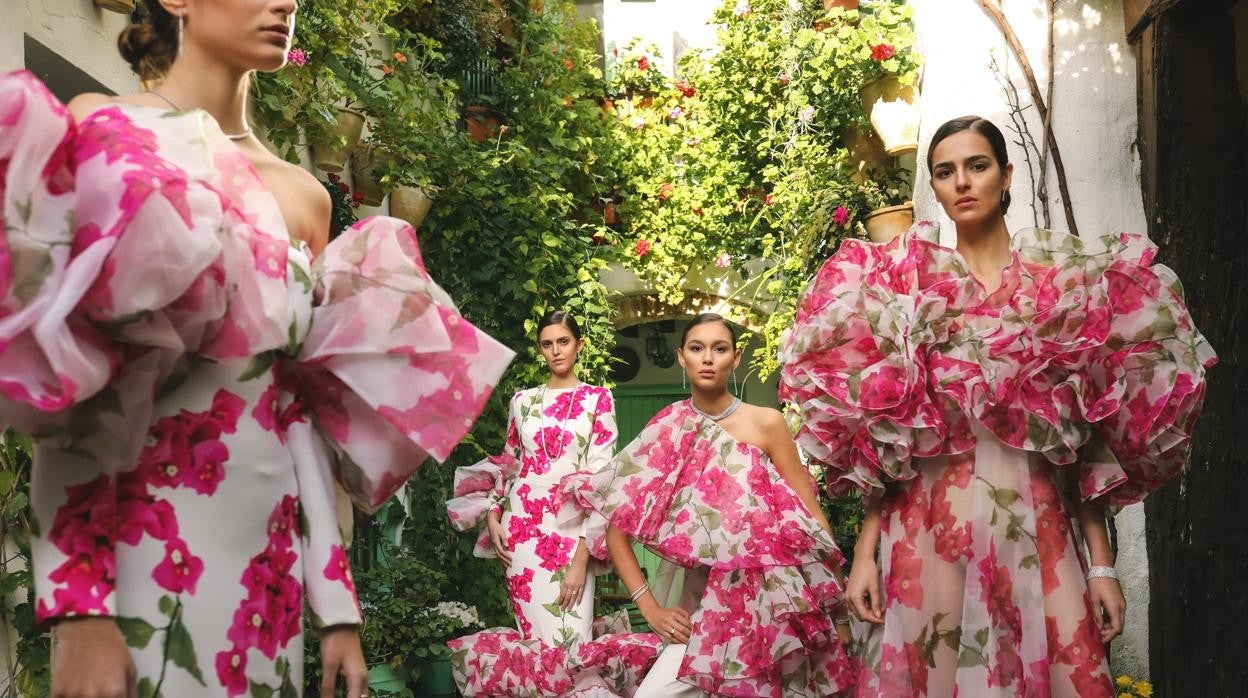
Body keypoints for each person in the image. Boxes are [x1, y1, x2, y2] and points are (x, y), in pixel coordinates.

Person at [0, 1, 514, 696]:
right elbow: (78, 393)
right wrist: (79, 612)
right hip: (139, 551)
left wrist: (337, 609)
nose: (287, 2)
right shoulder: (108, 129)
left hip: (263, 570)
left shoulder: (304, 196)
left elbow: (290, 404)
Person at [780, 115, 1216, 696]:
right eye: (945, 171)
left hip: (1033, 528)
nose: (962, 182)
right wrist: (865, 552)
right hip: (927, 533)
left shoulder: (1059, 287)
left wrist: (1103, 564)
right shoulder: (904, 291)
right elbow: (885, 445)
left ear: (1006, 174)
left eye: (977, 166)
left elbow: (1082, 446)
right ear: (933, 187)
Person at [586, 313, 856, 698]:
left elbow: (809, 514)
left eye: (719, 348)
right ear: (682, 357)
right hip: (699, 610)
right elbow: (617, 532)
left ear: (735, 357)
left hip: (768, 607)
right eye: (697, 349)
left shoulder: (767, 423)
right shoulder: (669, 426)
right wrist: (650, 609)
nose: (708, 358)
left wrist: (838, 607)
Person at [446, 310, 662, 696]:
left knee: (572, 642)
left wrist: (582, 559)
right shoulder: (523, 401)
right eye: (547, 344)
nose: (555, 350)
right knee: (536, 645)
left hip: (570, 534)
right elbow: (510, 462)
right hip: (522, 533)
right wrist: (494, 513)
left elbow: (601, 482)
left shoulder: (598, 399)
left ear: (578, 346)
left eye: (563, 341)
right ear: (540, 349)